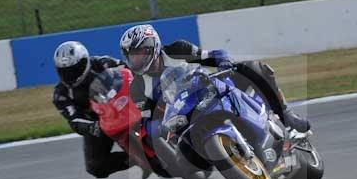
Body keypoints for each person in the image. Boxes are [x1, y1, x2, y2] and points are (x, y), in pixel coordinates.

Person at [119, 24, 311, 133]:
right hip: (184, 118)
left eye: (137, 54)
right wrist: (158, 128)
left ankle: (285, 113)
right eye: (130, 56)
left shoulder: (177, 50)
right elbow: (145, 121)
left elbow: (215, 54)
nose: (134, 60)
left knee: (253, 68)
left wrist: (224, 61)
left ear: (151, 47)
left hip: (207, 89)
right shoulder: (137, 87)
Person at [52, 41, 133, 179]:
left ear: (85, 62)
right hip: (99, 123)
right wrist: (94, 127)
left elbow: (131, 71)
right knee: (96, 166)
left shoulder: (103, 63)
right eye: (65, 72)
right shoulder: (61, 95)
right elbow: (75, 120)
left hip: (126, 104)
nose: (70, 75)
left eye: (74, 69)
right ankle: (136, 159)